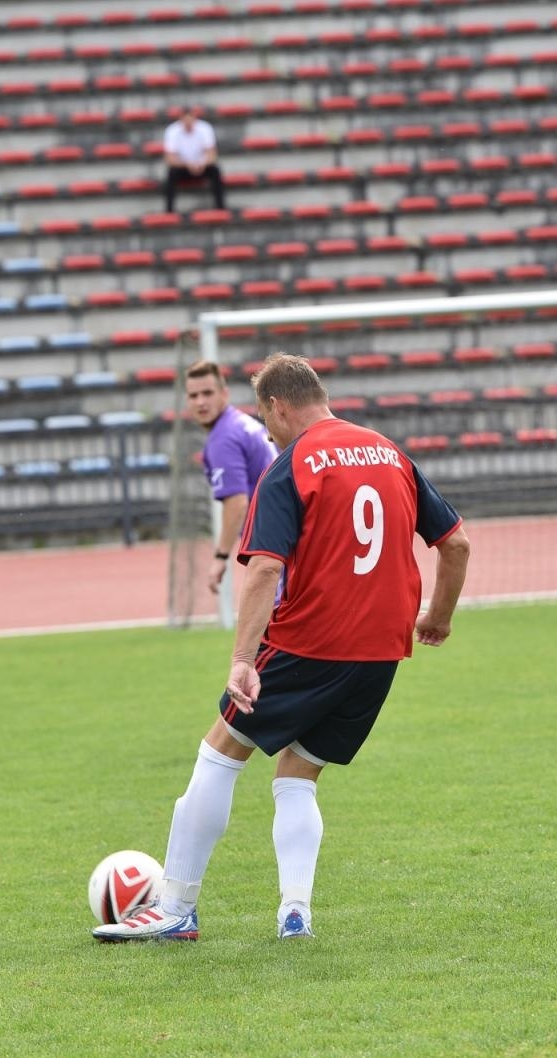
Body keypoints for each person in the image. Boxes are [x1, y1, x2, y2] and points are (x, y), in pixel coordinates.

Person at [94, 353, 471, 942]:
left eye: (266, 420)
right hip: (381, 653)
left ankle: (174, 908)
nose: (267, 433)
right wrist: (439, 618)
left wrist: (243, 661)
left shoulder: (290, 466)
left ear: (277, 406)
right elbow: (457, 544)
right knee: (298, 773)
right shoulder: (390, 453)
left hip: (309, 643)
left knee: (219, 754)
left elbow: (266, 568)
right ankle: (295, 912)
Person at [185, 360, 279, 595]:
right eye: (194, 396)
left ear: (224, 394)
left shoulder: (223, 438)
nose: (200, 402)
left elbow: (237, 503)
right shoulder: (241, 423)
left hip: (273, 546)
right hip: (284, 538)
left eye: (207, 393)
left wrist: (221, 556)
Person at [162, 105, 225, 214]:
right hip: (182, 167)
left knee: (215, 171)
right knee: (171, 174)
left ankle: (220, 208)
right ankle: (169, 211)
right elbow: (169, 159)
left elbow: (212, 155)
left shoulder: (205, 128)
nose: (188, 123)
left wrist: (202, 164)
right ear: (181, 119)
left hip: (202, 166)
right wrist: (188, 165)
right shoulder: (172, 131)